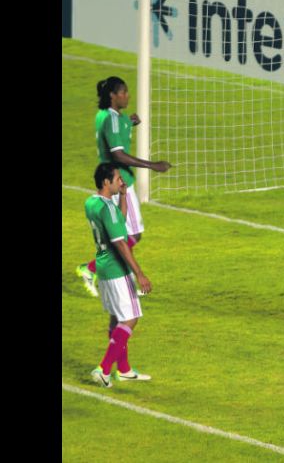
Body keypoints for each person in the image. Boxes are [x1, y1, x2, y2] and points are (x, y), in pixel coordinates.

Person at [76, 76, 172, 297]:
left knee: (125, 236)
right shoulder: (113, 120)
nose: (127, 96)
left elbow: (112, 131)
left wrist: (129, 122)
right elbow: (118, 154)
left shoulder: (105, 116)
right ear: (113, 95)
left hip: (111, 180)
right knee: (132, 235)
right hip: (120, 183)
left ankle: (100, 272)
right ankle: (93, 270)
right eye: (124, 92)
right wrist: (152, 165)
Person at [86, 163, 154, 387]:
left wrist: (123, 196)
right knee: (131, 318)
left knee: (116, 317)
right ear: (106, 182)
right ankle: (104, 368)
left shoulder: (93, 203)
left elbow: (118, 220)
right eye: (117, 179)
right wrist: (140, 273)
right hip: (117, 269)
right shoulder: (107, 209)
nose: (121, 182)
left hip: (103, 268)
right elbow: (121, 243)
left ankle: (123, 369)